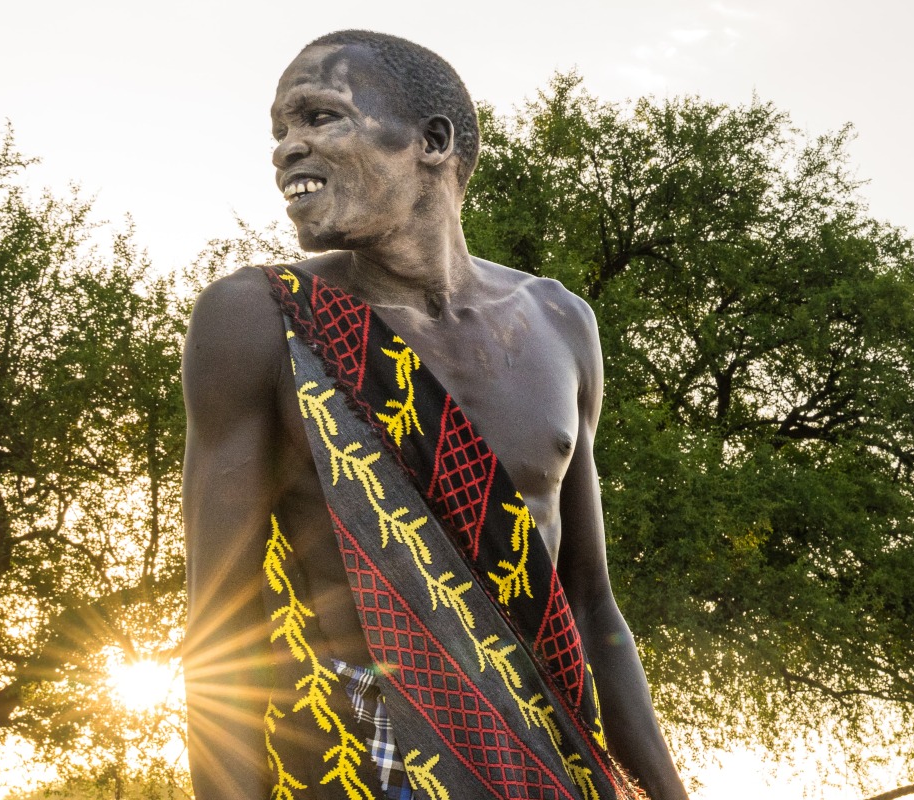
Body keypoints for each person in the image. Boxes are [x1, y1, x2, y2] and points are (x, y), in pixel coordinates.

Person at [181, 30, 688, 800]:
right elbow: (218, 624)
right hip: (363, 763)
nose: (288, 148)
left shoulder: (559, 322)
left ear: (433, 141)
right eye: (280, 130)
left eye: (319, 117)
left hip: (541, 763)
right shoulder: (259, 317)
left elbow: (589, 602)